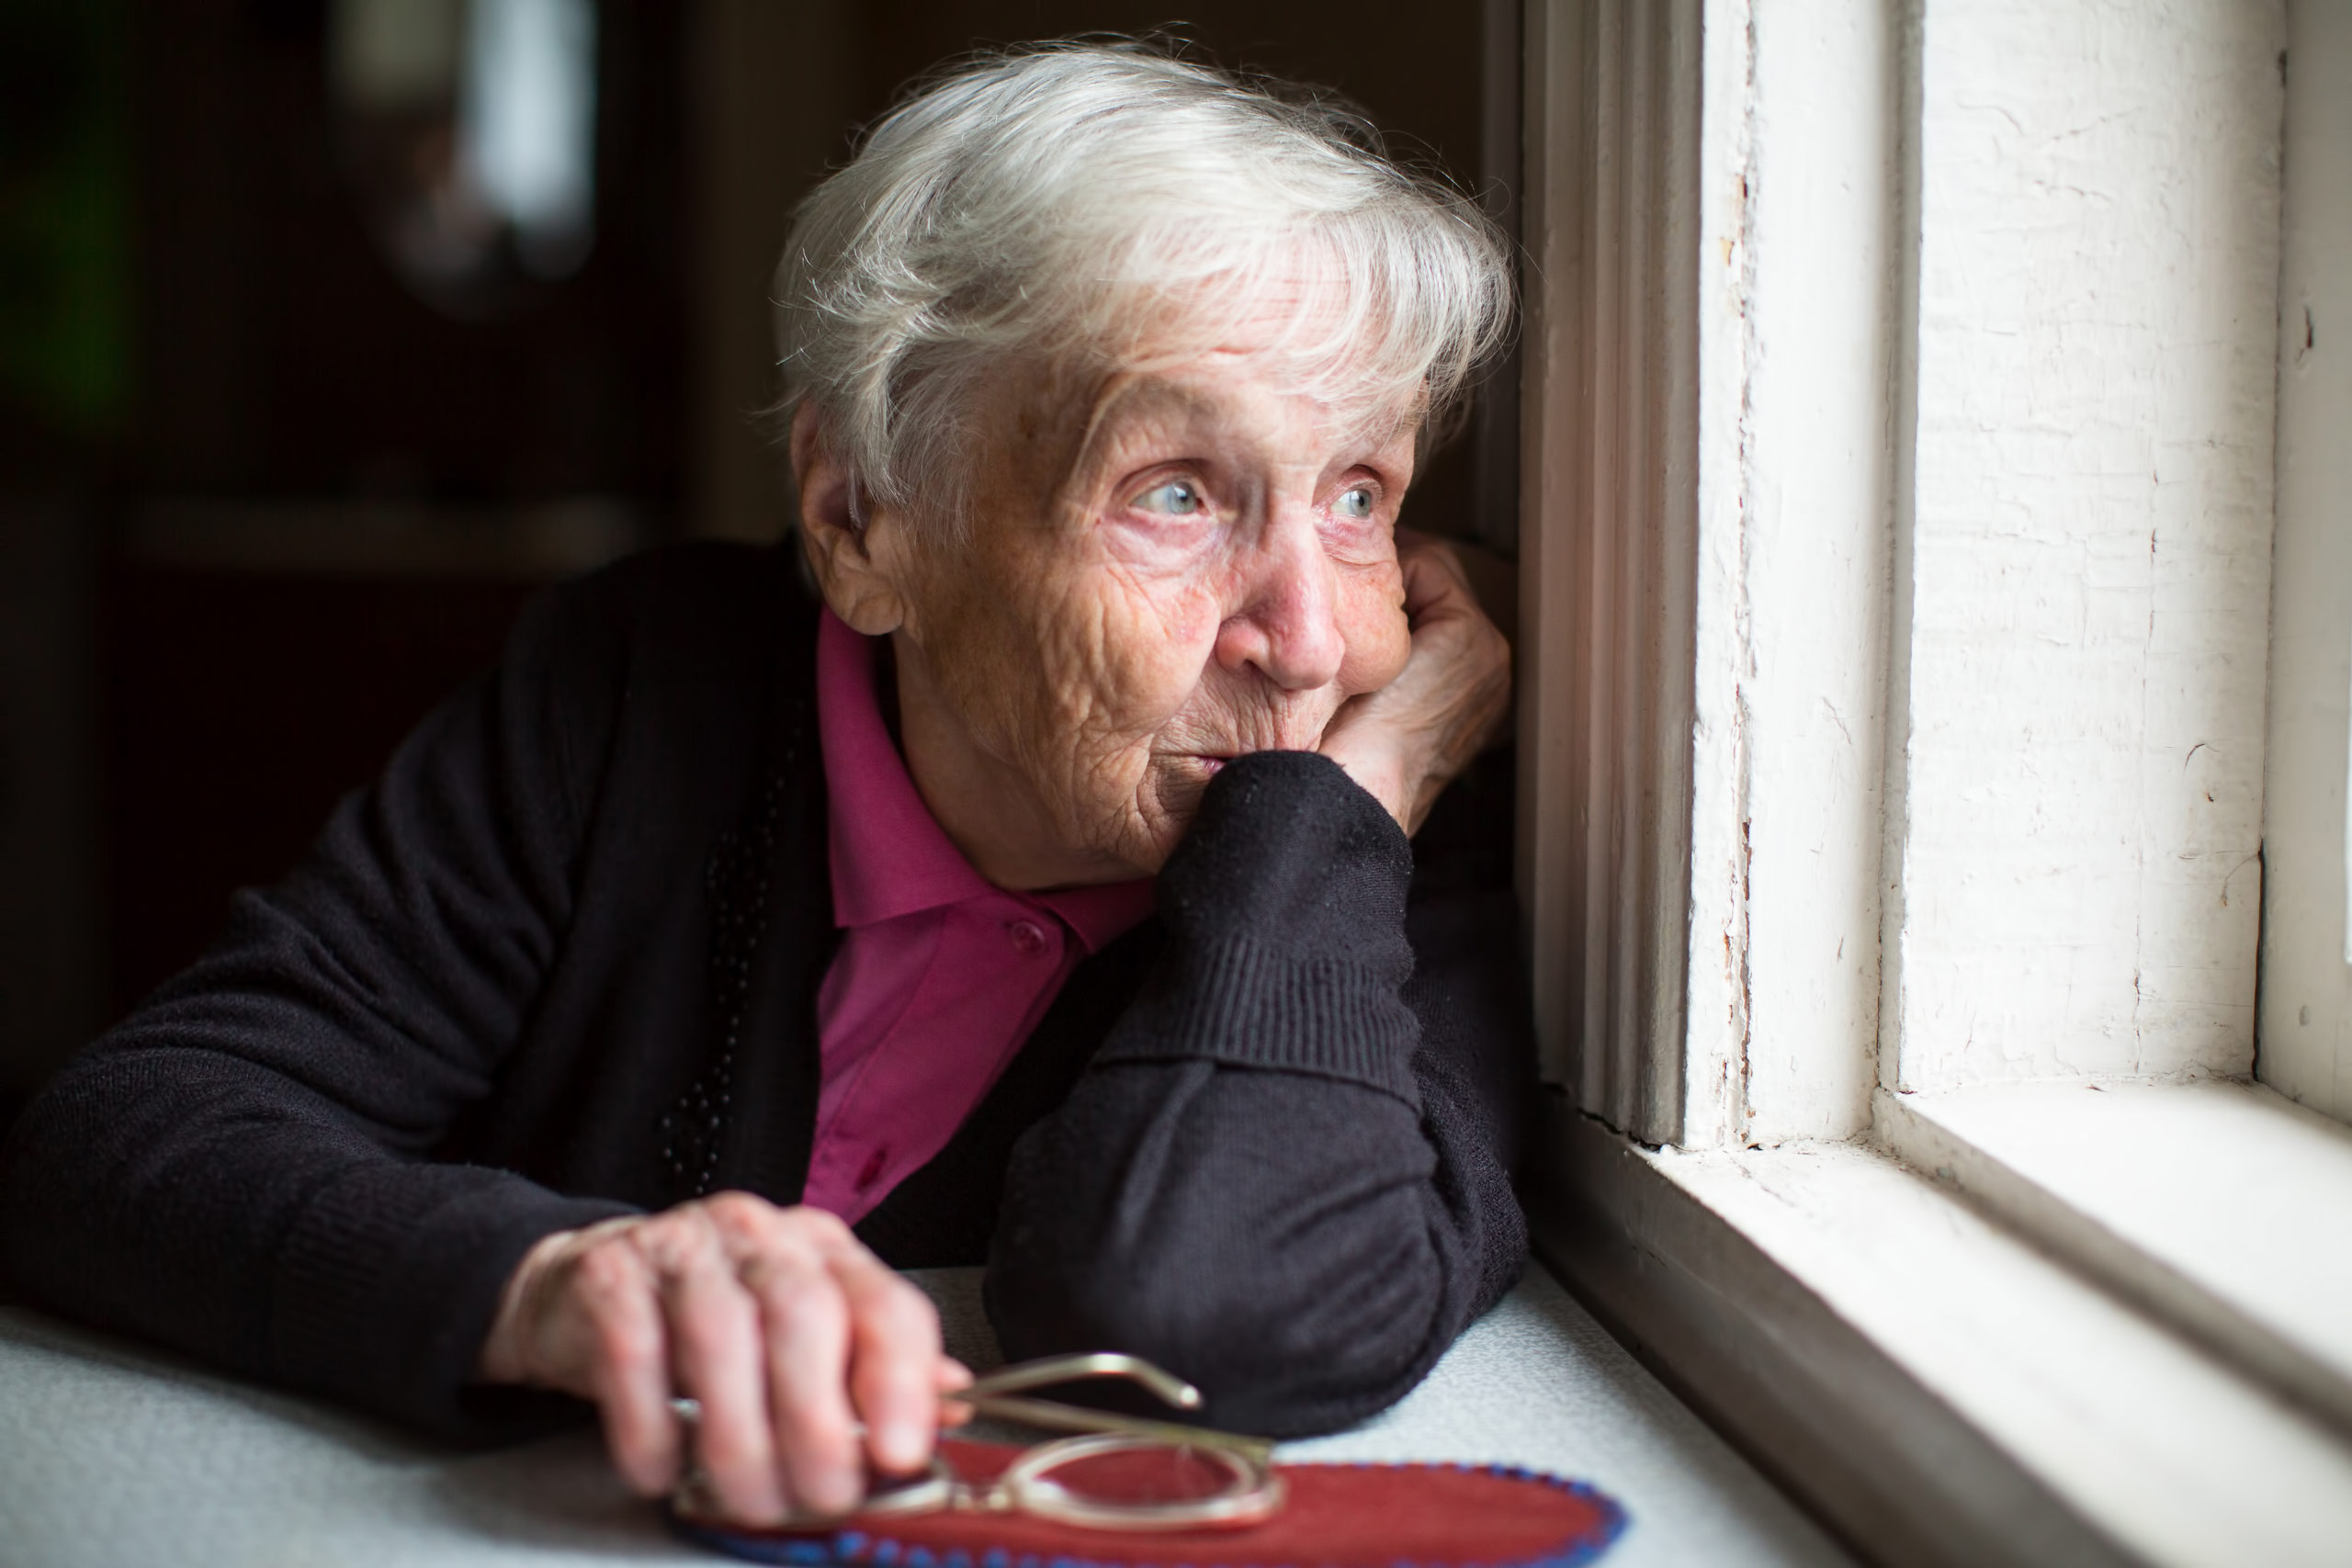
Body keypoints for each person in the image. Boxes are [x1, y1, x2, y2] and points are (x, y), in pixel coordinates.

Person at [0, 40, 1529, 1529]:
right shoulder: (645, 690)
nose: (1313, 639)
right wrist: (551, 1287)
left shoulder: (1379, 840)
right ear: (862, 521)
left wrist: (1339, 816)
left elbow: (1201, 1315)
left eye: (1358, 498)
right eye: (1176, 495)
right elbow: (128, 1134)